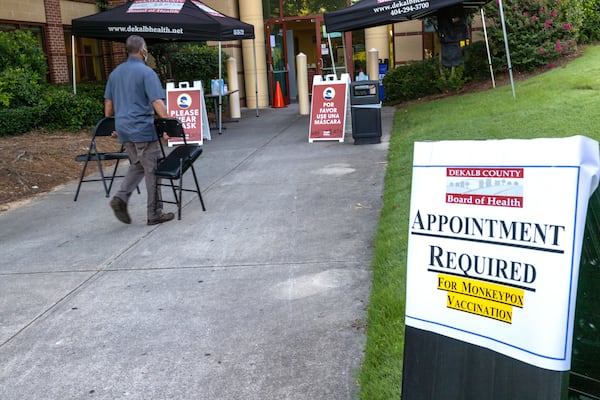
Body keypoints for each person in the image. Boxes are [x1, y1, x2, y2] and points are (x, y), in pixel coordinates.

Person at [104, 35, 174, 225]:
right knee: (153, 169)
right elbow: (157, 102)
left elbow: (108, 107)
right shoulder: (146, 72)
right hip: (142, 129)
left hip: (124, 130)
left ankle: (120, 198)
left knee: (138, 165)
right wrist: (169, 126)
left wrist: (114, 125)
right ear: (143, 50)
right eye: (146, 49)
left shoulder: (115, 73)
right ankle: (154, 213)